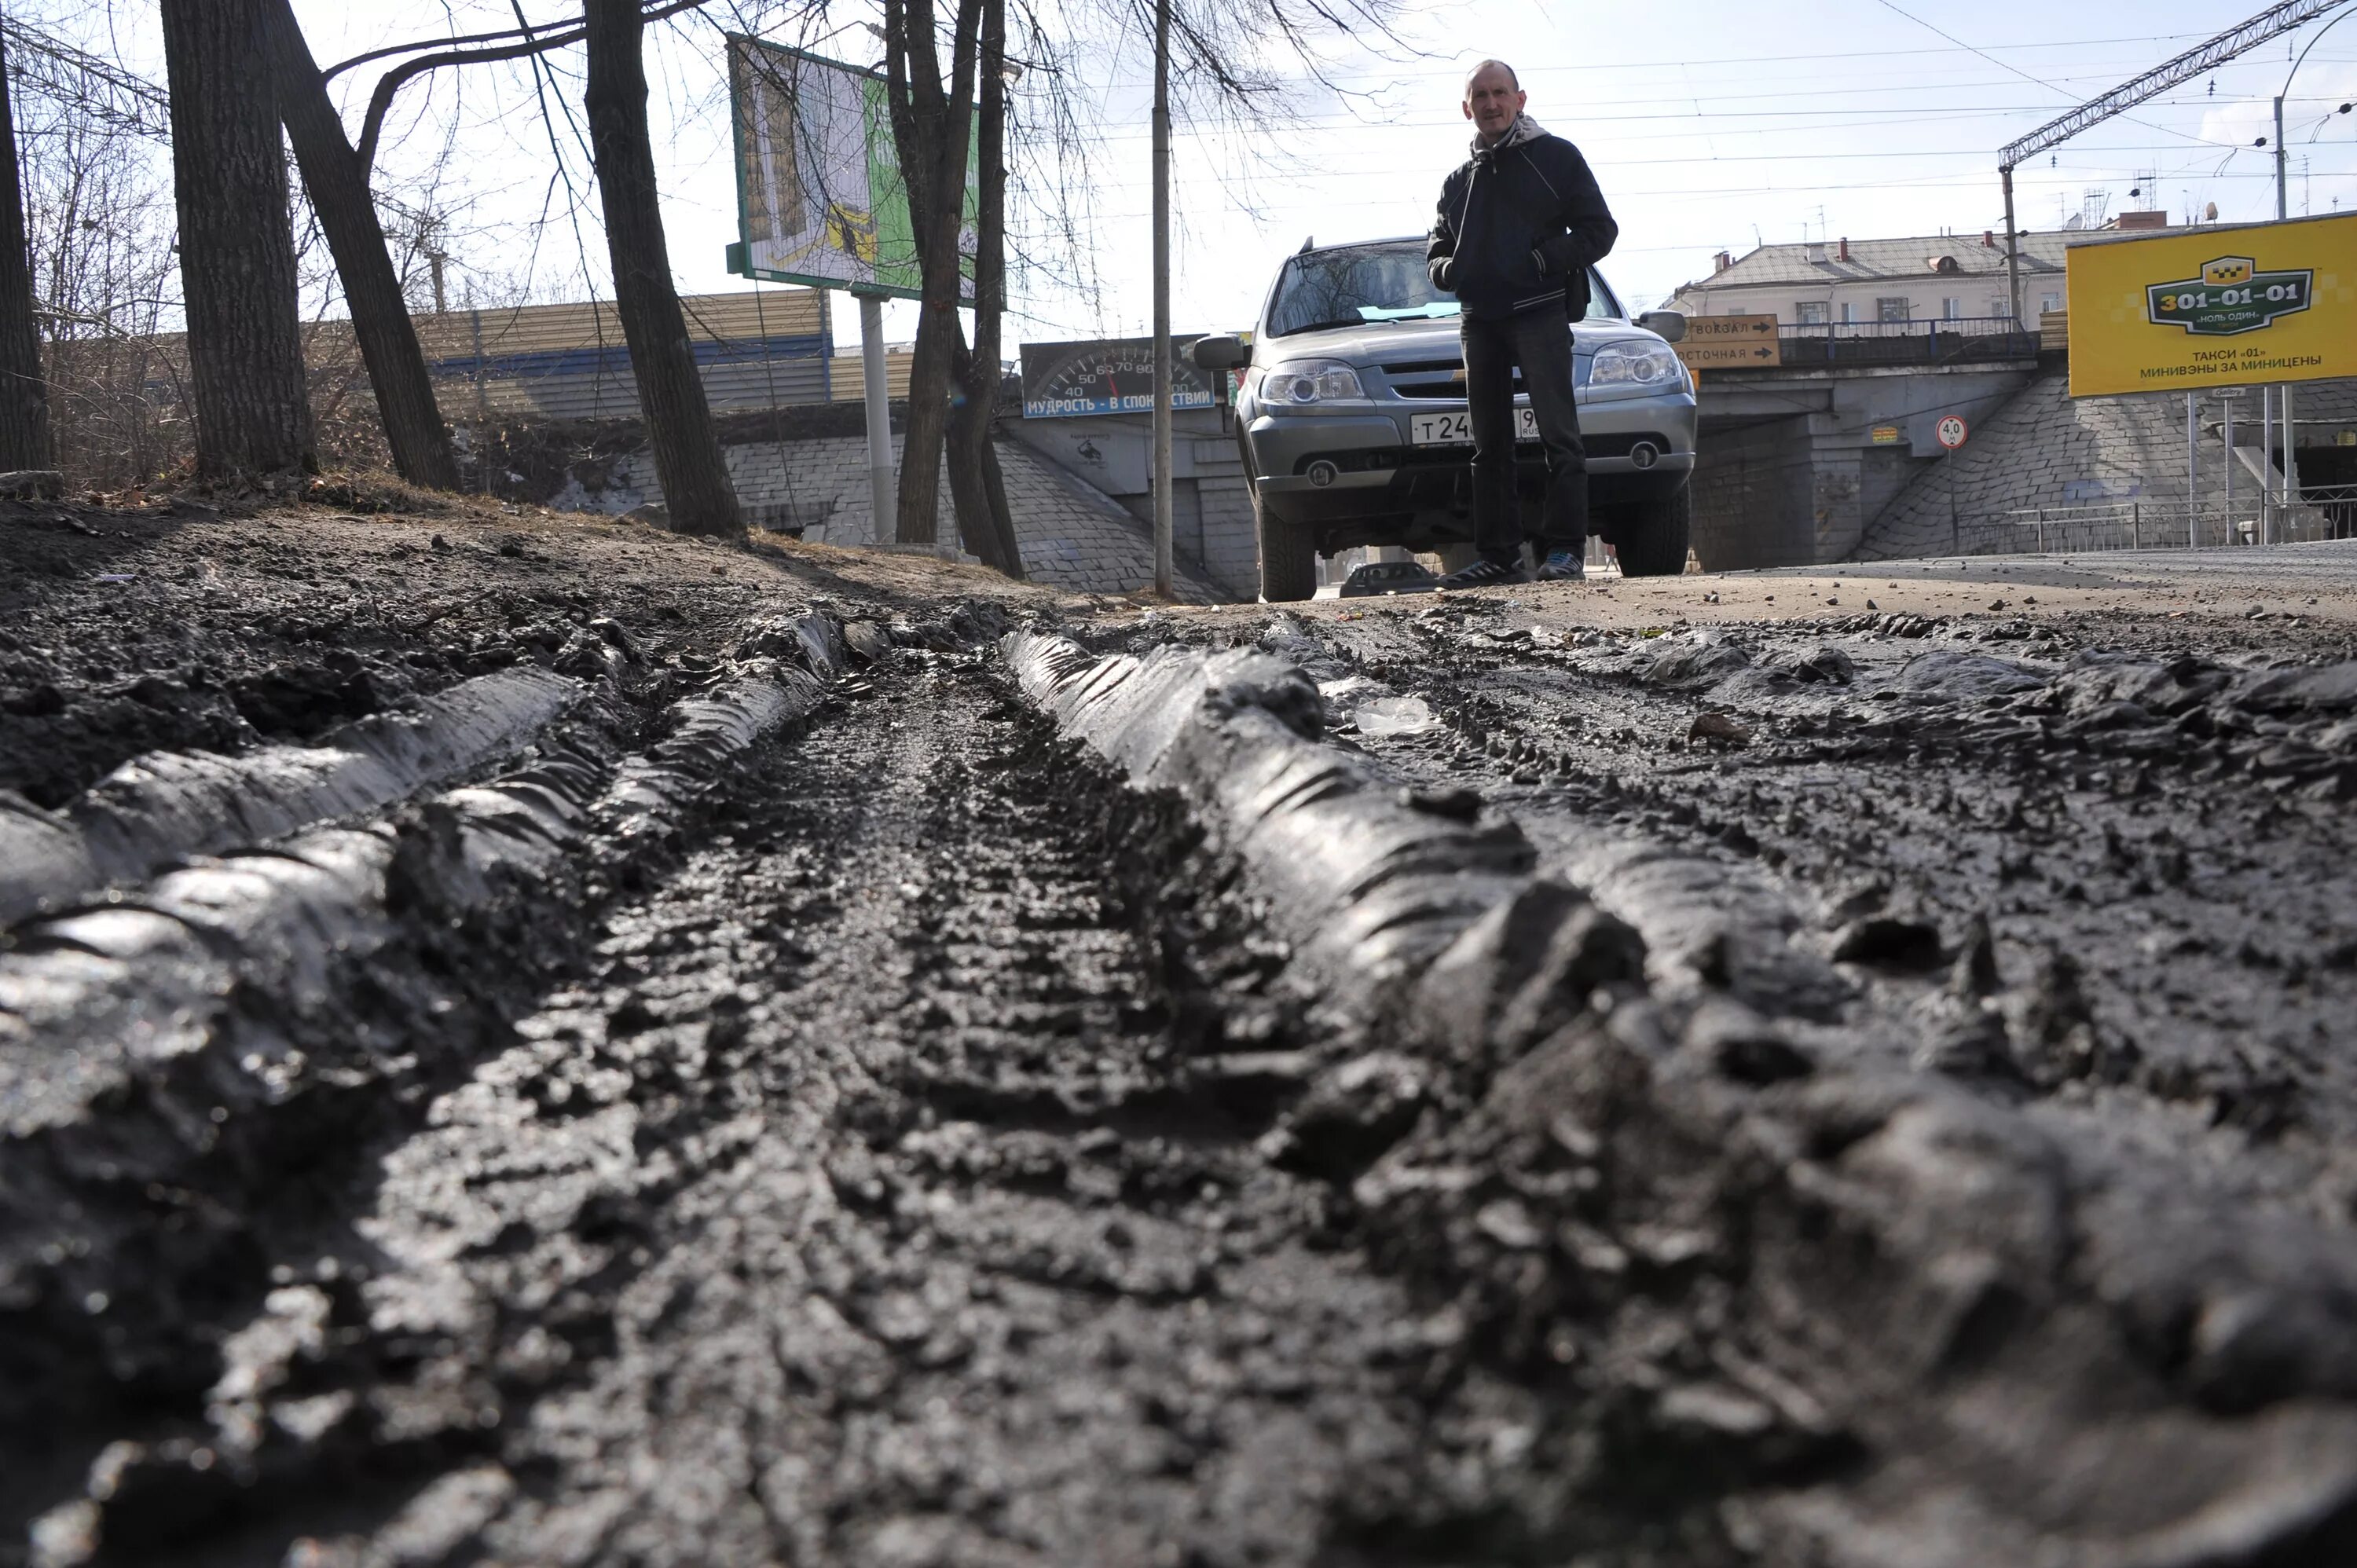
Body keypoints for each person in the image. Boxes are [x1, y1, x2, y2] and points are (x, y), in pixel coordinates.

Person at [1426, 59, 1618, 587]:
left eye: (1500, 93)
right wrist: (1447, 269)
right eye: (1481, 96)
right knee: (1490, 447)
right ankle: (1499, 557)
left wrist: (1540, 262)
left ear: (1520, 99)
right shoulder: (1457, 181)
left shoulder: (1555, 158)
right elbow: (1436, 249)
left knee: (1561, 437)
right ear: (1467, 108)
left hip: (1540, 314)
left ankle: (1564, 553)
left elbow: (1600, 230)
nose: (1491, 104)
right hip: (1479, 322)